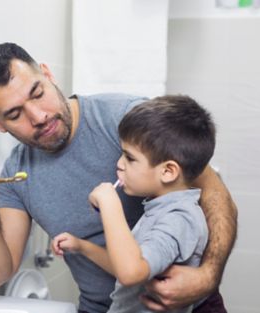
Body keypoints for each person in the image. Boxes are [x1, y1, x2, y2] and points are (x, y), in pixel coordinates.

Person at [0, 42, 237, 313]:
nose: (39, 116)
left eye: (38, 93)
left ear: (47, 74)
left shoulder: (125, 119)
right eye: (15, 113)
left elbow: (214, 192)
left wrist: (207, 276)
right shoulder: (16, 174)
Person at [51, 95, 216, 313]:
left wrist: (111, 205)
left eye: (129, 158)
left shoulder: (178, 219)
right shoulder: (160, 209)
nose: (119, 164)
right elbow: (127, 266)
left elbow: (131, 272)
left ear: (168, 171)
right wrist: (82, 247)